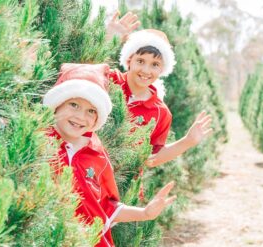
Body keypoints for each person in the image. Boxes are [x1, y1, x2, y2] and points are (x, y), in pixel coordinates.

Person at [43, 63, 176, 247]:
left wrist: (144, 213)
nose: (81, 117)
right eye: (74, 105)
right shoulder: (37, 141)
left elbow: (106, 207)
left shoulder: (97, 154)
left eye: (91, 111)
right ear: (57, 104)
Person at [109, 29, 213, 168]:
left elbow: (150, 159)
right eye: (140, 61)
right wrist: (108, 38)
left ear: (162, 69)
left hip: (123, 185)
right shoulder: (108, 80)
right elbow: (77, 72)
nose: (146, 70)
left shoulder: (160, 113)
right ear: (129, 60)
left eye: (155, 64)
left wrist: (187, 141)